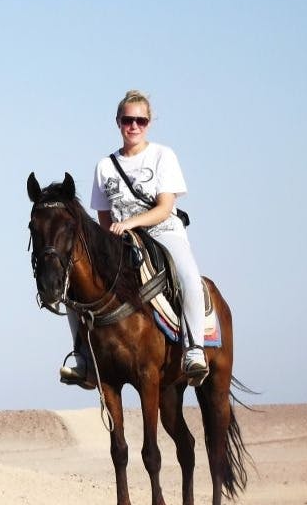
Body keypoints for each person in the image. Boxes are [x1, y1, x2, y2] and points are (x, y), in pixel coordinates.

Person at [61, 90, 208, 387]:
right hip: (120, 242)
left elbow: (165, 207)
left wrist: (129, 223)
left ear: (149, 123)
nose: (134, 126)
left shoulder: (163, 156)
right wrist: (111, 237)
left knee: (190, 277)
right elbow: (103, 218)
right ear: (118, 122)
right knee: (73, 284)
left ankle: (195, 349)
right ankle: (83, 359)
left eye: (140, 120)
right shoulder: (105, 166)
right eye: (128, 120)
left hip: (164, 233)